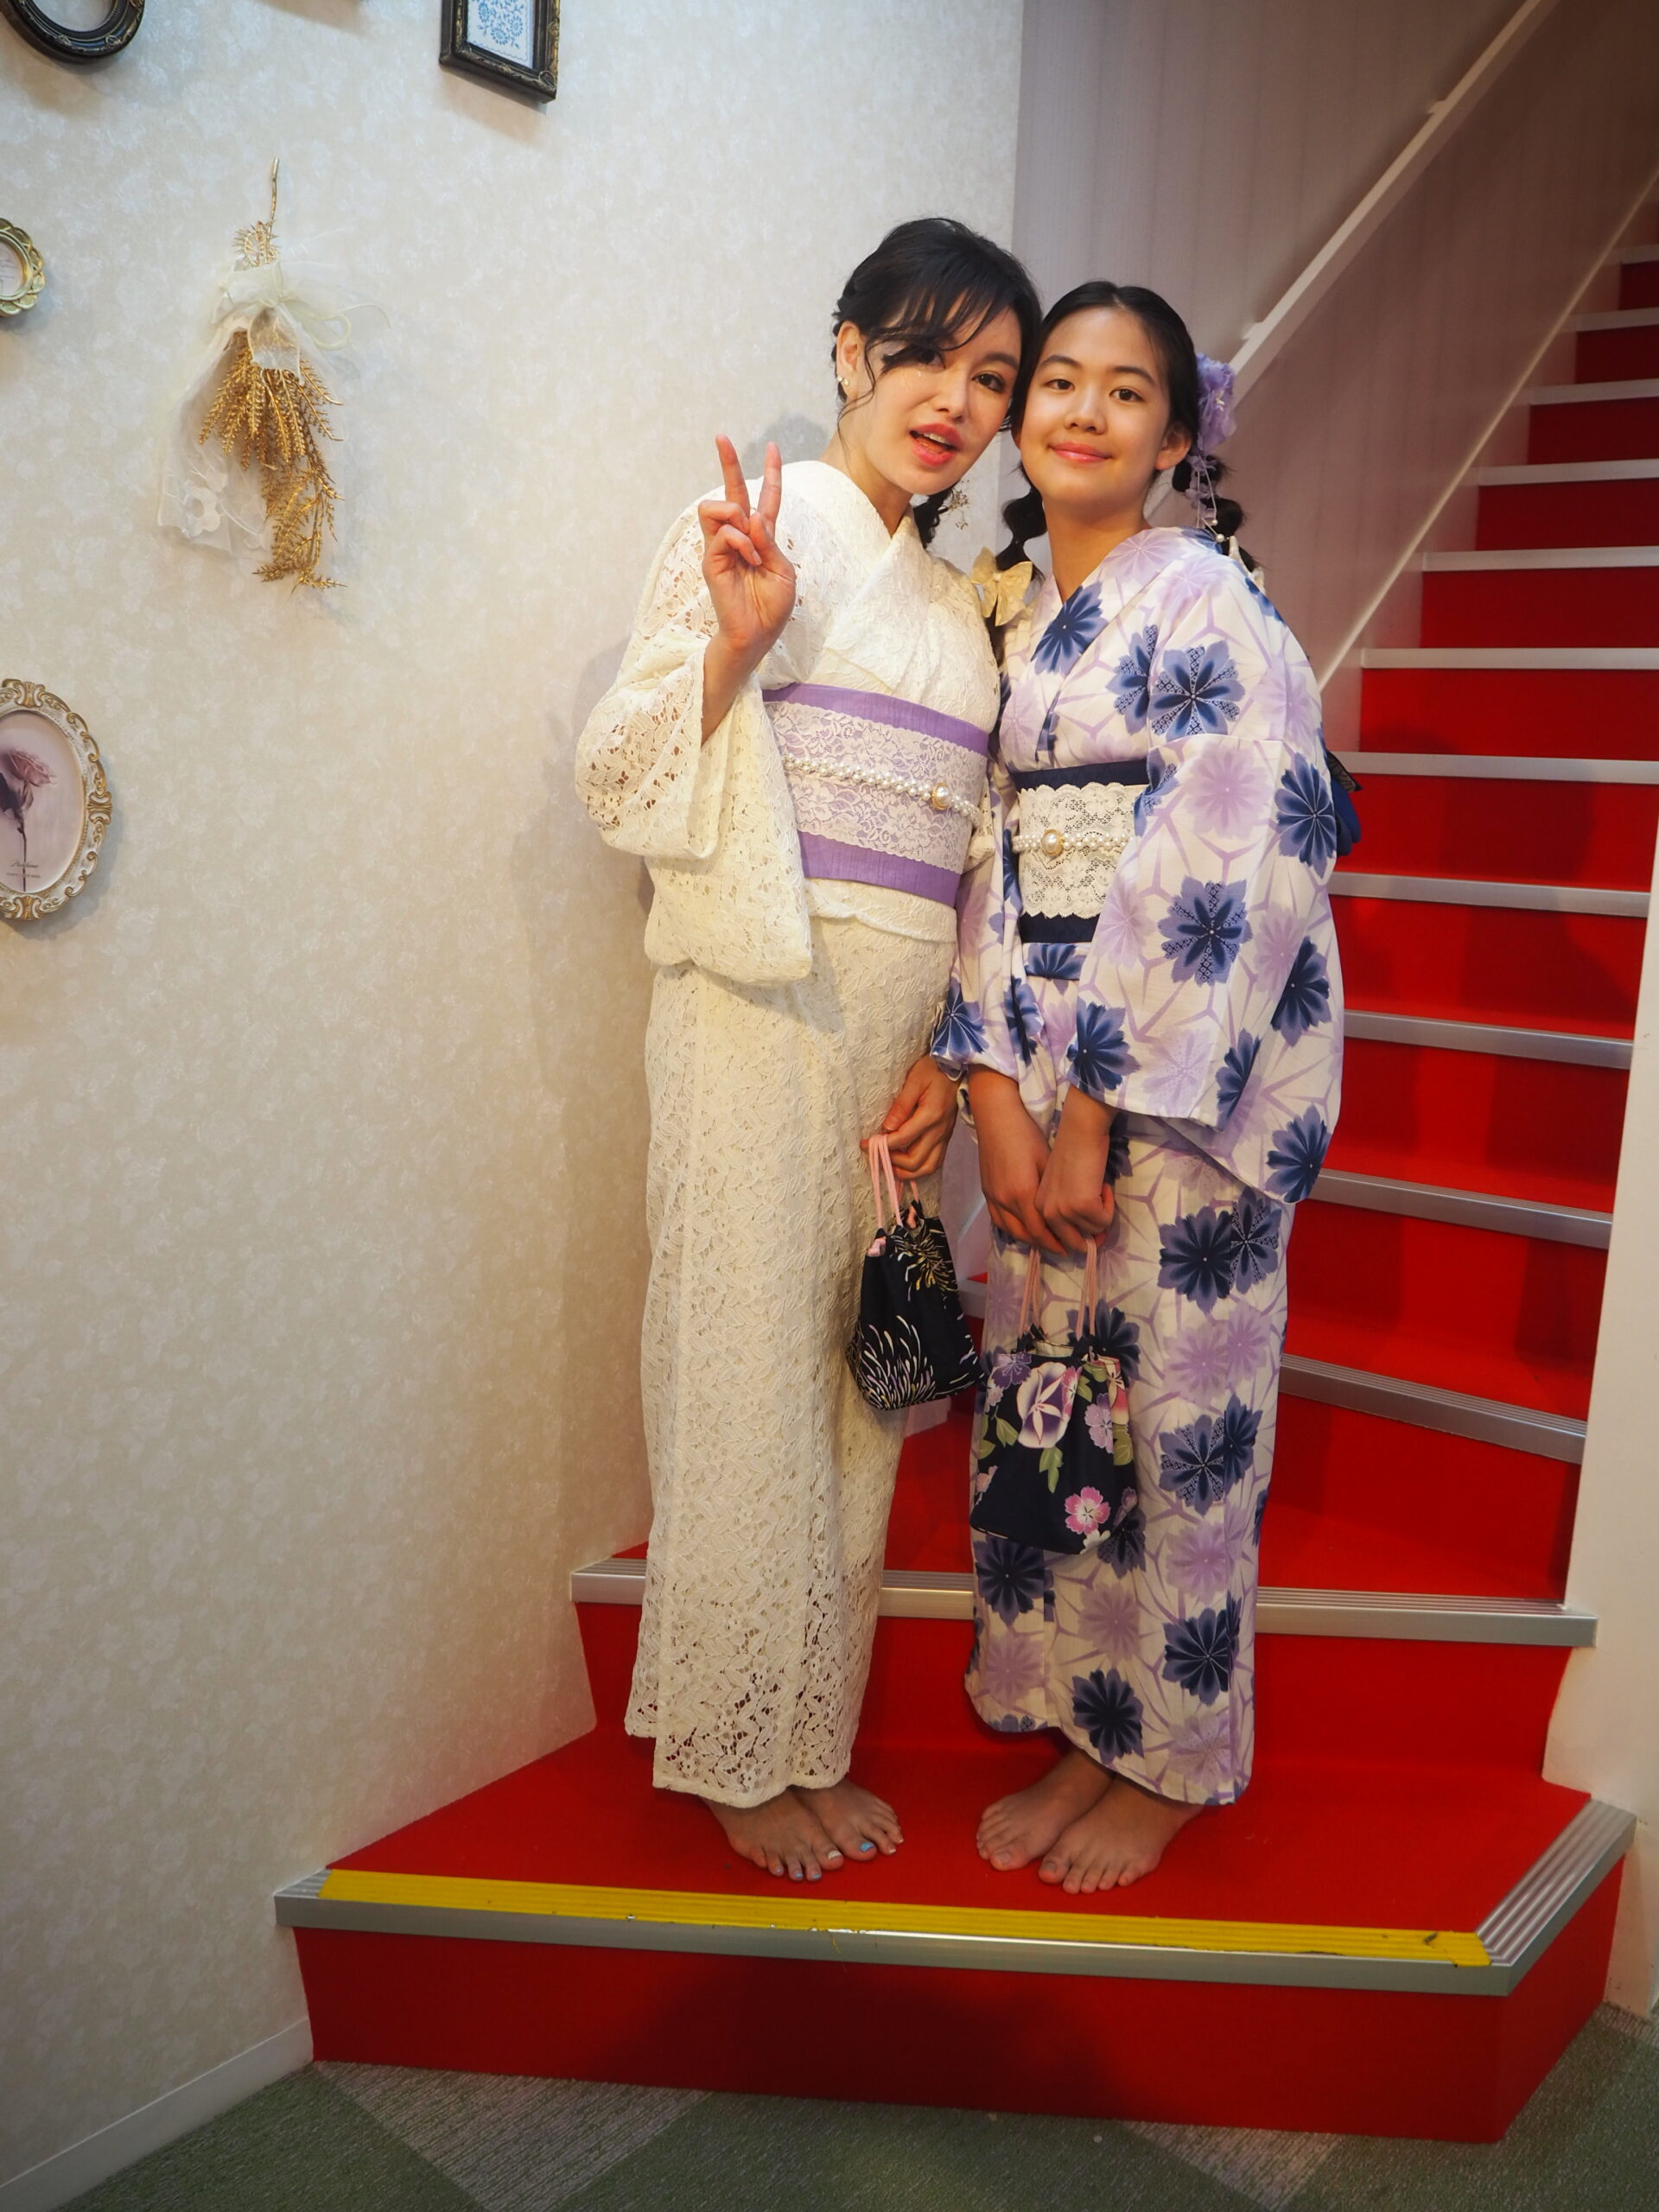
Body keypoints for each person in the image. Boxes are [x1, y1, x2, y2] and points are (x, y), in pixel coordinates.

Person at [575, 219, 1040, 1884]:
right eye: (927, 356)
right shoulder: (746, 538)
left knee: (860, 1386)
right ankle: (729, 1752)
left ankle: (805, 1736)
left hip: (891, 1051)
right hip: (757, 1010)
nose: (957, 401)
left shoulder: (959, 605)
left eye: (992, 377)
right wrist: (734, 645)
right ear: (850, 350)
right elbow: (619, 777)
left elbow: (978, 858)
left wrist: (952, 1060)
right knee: (744, 1372)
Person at [934, 282, 1343, 1892]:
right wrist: (996, 1092)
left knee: (1174, 1422)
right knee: (1057, 1408)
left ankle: (1170, 1761)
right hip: (1036, 1061)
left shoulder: (1212, 607)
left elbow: (1234, 852)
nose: (1083, 411)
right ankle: (1077, 1719)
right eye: (1057, 380)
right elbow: (988, 857)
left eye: (1126, 391)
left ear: (1178, 439)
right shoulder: (1013, 613)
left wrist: (1097, 1103)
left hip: (1173, 1095)